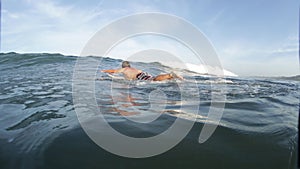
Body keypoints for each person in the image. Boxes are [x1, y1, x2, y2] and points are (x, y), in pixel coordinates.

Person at [101, 61, 183, 81]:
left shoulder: (124, 69)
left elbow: (113, 71)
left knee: (153, 80)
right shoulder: (133, 69)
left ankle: (170, 75)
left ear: (123, 66)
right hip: (142, 73)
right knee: (153, 78)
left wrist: (104, 71)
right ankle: (171, 77)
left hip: (139, 76)